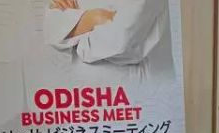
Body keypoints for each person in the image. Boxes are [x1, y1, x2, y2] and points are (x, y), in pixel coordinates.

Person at [43, 0, 173, 81]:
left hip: (134, 93)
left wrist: (75, 28)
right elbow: (52, 28)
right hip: (84, 97)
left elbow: (121, 41)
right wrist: (96, 17)